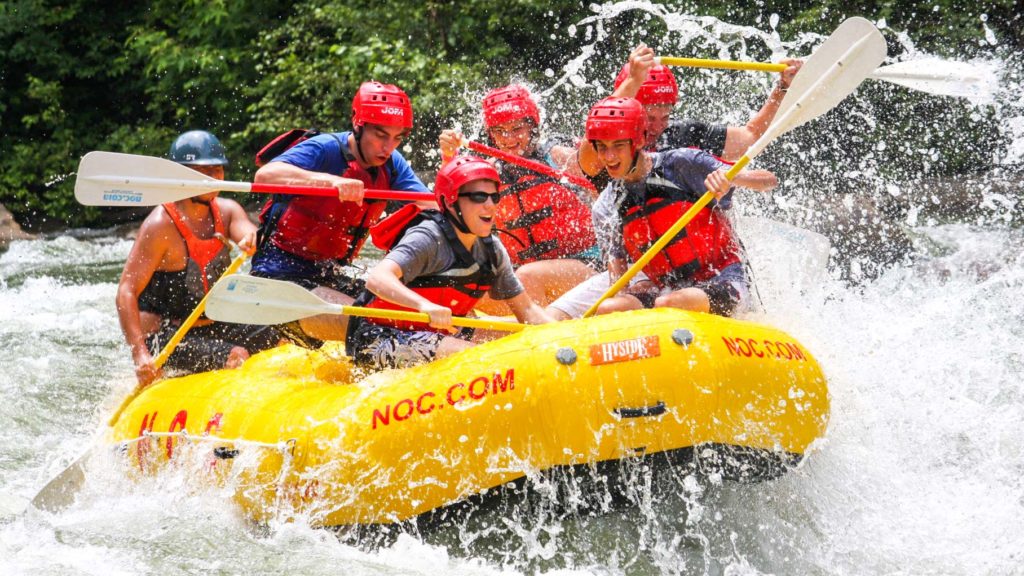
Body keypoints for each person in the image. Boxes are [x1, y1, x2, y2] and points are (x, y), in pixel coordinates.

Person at [547, 45, 800, 320]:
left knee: (668, 302)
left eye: (664, 117)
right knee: (589, 311)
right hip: (646, 269)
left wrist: (782, 89)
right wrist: (633, 81)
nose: (657, 127)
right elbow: (592, 145)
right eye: (649, 118)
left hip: (707, 270)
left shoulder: (683, 151)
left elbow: (751, 141)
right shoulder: (608, 172)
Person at [250, 81, 430, 346]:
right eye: (381, 135)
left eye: (397, 138)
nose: (388, 147)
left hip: (329, 273)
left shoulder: (393, 164)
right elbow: (265, 176)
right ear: (358, 125)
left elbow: (431, 204)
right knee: (371, 324)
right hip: (279, 274)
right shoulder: (323, 148)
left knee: (404, 313)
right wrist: (330, 181)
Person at [347, 155, 554, 371]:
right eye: (478, 197)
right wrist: (424, 305)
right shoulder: (428, 237)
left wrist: (562, 336)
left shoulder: (493, 249)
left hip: (445, 331)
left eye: (494, 197)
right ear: (449, 202)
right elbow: (377, 278)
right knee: (481, 358)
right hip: (378, 337)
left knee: (521, 335)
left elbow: (527, 310)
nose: (490, 206)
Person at [581, 97, 778, 316]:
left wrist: (732, 178)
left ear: (639, 141)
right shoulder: (608, 203)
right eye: (602, 147)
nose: (609, 157)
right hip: (668, 291)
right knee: (609, 308)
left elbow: (769, 180)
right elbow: (618, 282)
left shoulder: (681, 163)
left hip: (724, 280)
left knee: (669, 303)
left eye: (618, 146)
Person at [116, 130, 279, 387]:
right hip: (165, 336)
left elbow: (249, 233)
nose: (213, 177)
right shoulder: (160, 226)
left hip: (213, 323)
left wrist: (253, 240)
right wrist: (140, 354)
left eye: (217, 169)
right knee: (236, 355)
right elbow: (126, 291)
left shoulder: (227, 211)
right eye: (203, 171)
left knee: (280, 336)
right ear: (179, 175)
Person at [438, 85, 600, 310]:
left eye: (517, 129)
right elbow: (451, 208)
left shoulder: (557, 157)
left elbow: (598, 174)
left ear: (532, 127)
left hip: (587, 266)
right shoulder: (488, 172)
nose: (508, 138)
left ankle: (542, 328)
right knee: (462, 286)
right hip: (528, 275)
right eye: (499, 131)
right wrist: (448, 158)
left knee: (527, 276)